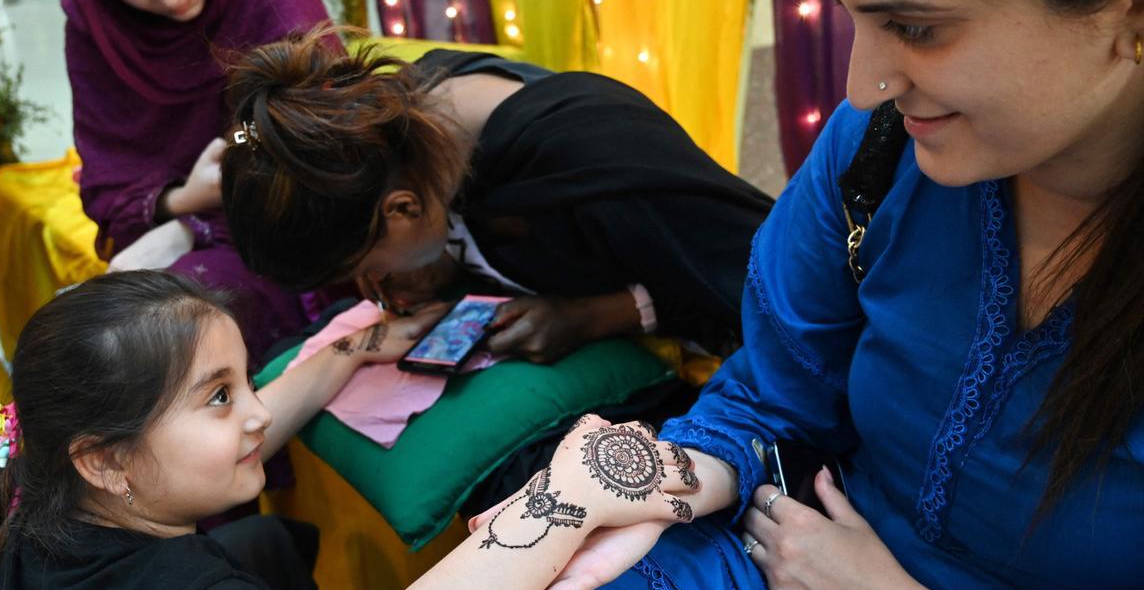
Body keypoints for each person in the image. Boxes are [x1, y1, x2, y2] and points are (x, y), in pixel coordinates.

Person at [486, 0, 1144, 590]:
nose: (862, 85)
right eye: (853, 17)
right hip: (793, 562)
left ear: (1129, 1)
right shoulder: (881, 149)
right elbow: (771, 395)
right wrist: (629, 483)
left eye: (916, 27)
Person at [0, 270, 697, 590]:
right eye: (218, 396)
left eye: (243, 380)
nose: (254, 415)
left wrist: (355, 349)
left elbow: (251, 416)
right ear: (107, 463)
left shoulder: (35, 504)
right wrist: (560, 500)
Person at [219, 31, 774, 363]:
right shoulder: (406, 125)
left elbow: (771, 287)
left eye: (369, 267)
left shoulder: (590, 157)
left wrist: (605, 314)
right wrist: (438, 262)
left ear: (403, 210)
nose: (379, 286)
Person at [45, 0, 332, 358]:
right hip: (177, 225)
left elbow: (312, 125)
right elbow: (108, 184)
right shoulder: (99, 30)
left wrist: (197, 221)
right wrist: (182, 201)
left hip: (291, 232)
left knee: (160, 342)